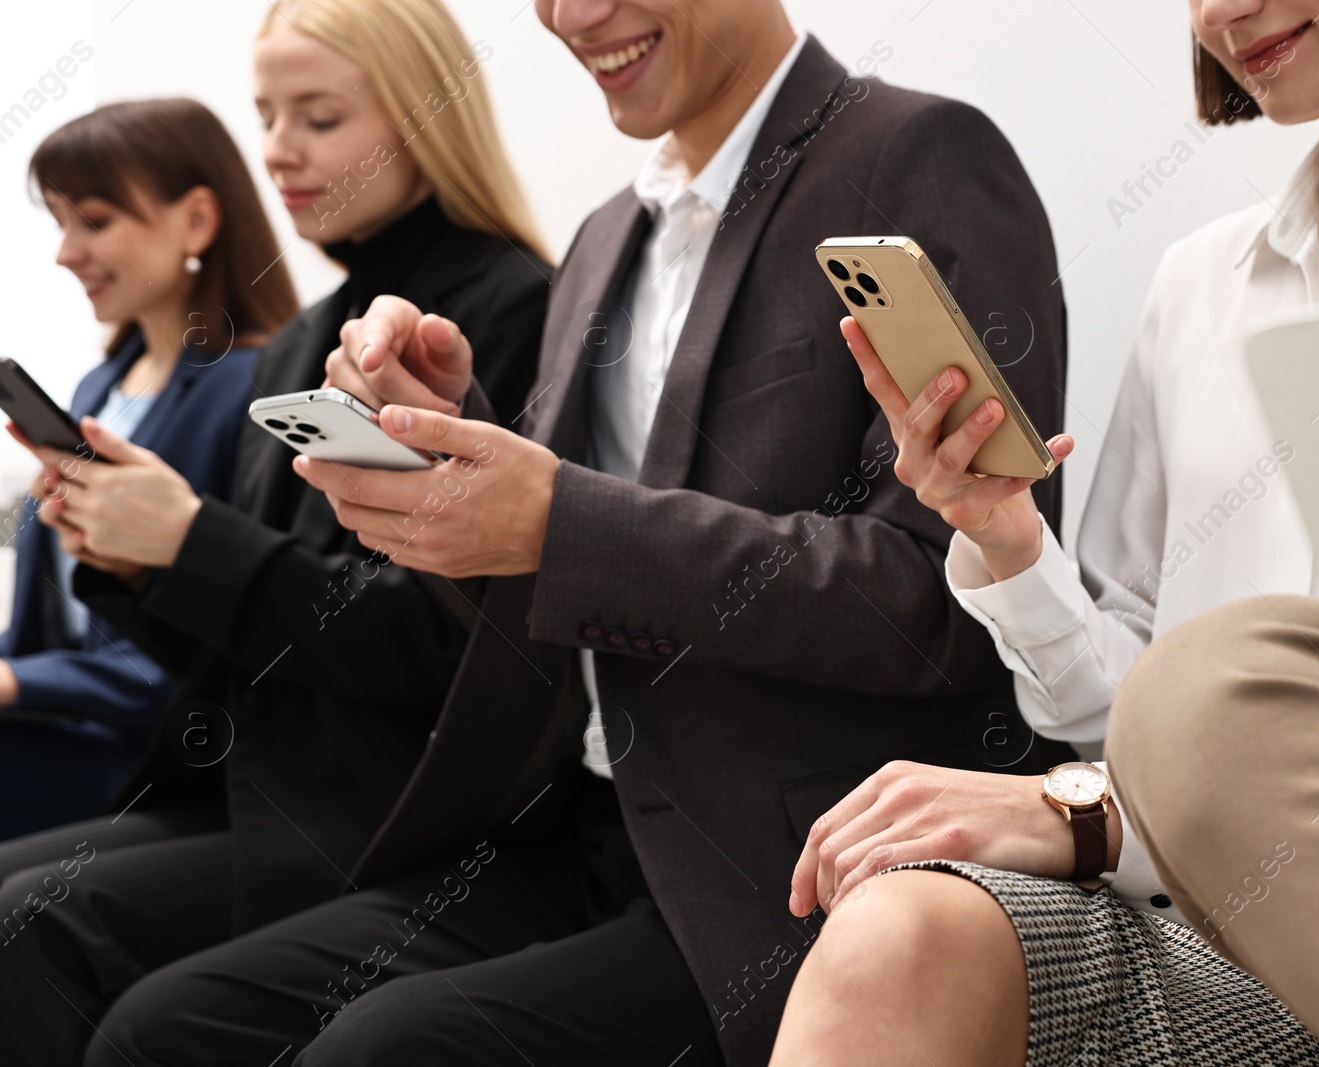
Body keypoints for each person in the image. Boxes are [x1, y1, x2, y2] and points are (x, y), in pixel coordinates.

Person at [29, 0, 1070, 1063]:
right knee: (163, 1029)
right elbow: (548, 583)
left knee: (374, 1046)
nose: (571, 13)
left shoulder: (916, 155)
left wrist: (554, 516)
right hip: (571, 830)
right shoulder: (606, 236)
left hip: (780, 861)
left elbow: (944, 605)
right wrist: (451, 448)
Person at [771, 0, 1319, 1064]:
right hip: (1216, 931)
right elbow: (1138, 714)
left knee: (1211, 678)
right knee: (899, 935)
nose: (1219, 13)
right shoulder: (1201, 283)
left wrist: (1097, 821)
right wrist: (1010, 542)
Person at [0, 1, 552, 1063]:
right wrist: (132, 564)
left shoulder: (509, 307)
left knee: (34, 925)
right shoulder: (300, 336)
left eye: (319, 118)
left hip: (393, 811)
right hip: (261, 786)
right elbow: (245, 658)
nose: (278, 152)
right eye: (267, 116)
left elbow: (448, 644)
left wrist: (194, 543)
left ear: (427, 122)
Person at [0, 98, 296, 841]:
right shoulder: (96, 391)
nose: (66, 252)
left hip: (157, 759)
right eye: (61, 222)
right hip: (65, 729)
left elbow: (213, 651)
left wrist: (19, 681)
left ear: (195, 220)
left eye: (94, 221)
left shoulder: (254, 393)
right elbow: (44, 622)